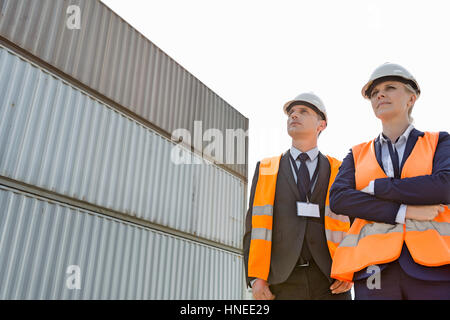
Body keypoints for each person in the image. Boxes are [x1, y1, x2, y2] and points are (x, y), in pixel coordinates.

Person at [330, 63, 450, 300]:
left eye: (390, 87)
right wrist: (403, 211)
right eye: (374, 93)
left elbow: (444, 185)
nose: (380, 95)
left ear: (411, 98)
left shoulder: (440, 142)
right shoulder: (356, 153)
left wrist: (377, 188)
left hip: (434, 267)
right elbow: (339, 199)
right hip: (374, 269)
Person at [243, 92, 352, 300]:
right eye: (291, 112)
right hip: (281, 282)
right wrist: (255, 278)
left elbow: (356, 225)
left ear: (322, 124)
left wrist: (352, 269)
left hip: (331, 281)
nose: (294, 116)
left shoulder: (340, 170)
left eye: (303, 111)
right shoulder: (266, 169)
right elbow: (253, 228)